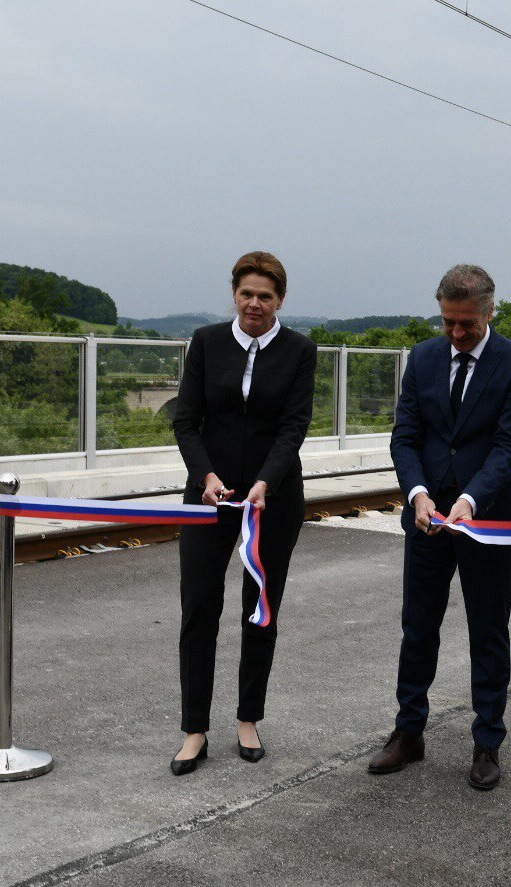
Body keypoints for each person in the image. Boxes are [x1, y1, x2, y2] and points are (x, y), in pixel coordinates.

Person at [367, 264, 511, 790]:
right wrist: (418, 493)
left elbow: (510, 447)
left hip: (487, 520)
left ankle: (487, 741)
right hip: (426, 520)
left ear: (490, 312)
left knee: (488, 630)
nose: (457, 333)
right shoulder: (421, 358)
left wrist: (469, 500)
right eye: (448, 323)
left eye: (467, 324)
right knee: (418, 627)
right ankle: (408, 732)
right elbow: (406, 436)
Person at [169, 251, 318, 775]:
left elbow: (293, 427)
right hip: (209, 495)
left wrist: (263, 483)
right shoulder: (207, 343)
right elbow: (186, 421)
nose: (255, 304)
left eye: (266, 296)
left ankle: (248, 719)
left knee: (261, 608)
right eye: (247, 293)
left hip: (270, 499)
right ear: (235, 293)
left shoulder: (300, 350)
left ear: (280, 300)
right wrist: (207, 477)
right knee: (198, 609)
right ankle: (194, 730)